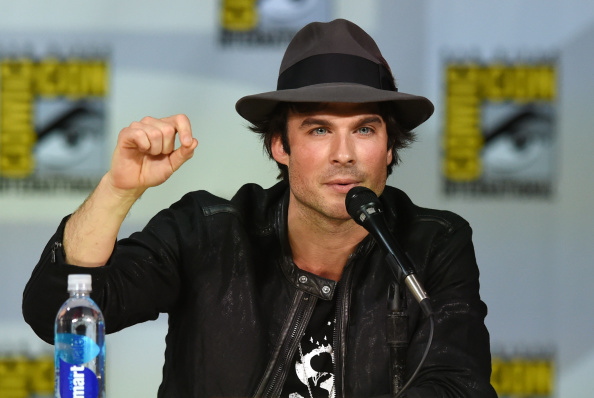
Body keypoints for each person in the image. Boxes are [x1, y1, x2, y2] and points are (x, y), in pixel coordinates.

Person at [23, 19, 497, 397]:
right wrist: (118, 191)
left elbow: (460, 384)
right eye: (318, 130)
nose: (344, 153)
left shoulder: (435, 242)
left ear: (390, 147)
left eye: (365, 129)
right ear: (279, 146)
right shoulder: (207, 233)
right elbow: (56, 315)